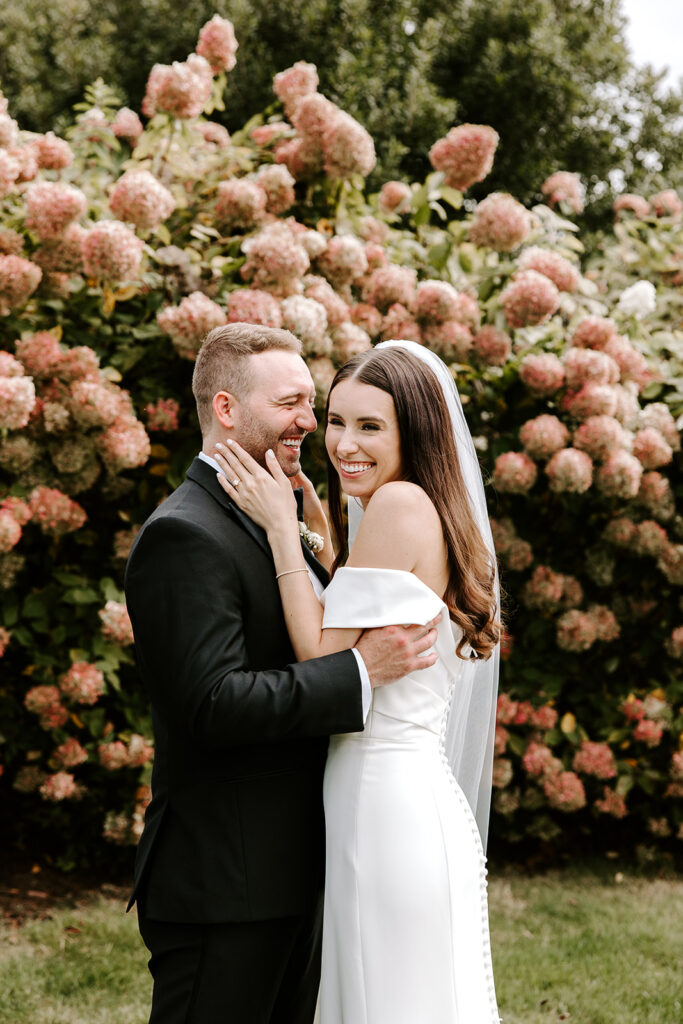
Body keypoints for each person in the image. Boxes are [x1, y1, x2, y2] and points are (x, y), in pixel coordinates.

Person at [123, 324, 441, 1024]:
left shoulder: (278, 508)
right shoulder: (185, 535)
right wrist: (359, 670)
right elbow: (213, 703)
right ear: (228, 409)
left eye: (312, 402)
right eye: (292, 402)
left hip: (296, 868)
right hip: (227, 884)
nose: (310, 421)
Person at [214, 339, 502, 1024]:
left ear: (416, 433)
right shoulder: (418, 507)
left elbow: (321, 656)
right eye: (336, 420)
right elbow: (361, 624)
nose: (344, 443)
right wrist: (323, 543)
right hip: (395, 797)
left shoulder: (400, 504)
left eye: (370, 426)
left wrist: (283, 532)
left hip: (385, 802)